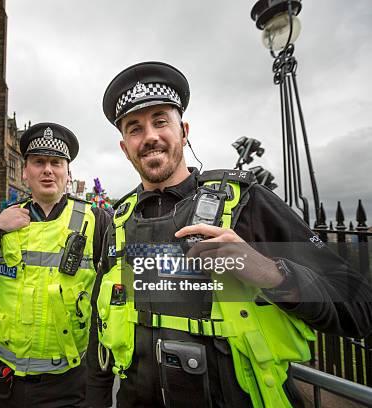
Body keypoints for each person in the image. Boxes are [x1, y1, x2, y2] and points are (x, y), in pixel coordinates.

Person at [86, 61, 372, 408]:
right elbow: (98, 336)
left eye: (161, 121)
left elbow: (358, 305)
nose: (149, 136)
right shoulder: (119, 221)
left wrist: (270, 273)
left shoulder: (246, 203)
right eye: (134, 128)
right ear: (124, 146)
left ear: (184, 131)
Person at [0, 122, 111, 407]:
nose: (48, 170)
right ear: (26, 171)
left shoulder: (96, 220)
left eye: (56, 163)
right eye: (39, 162)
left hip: (66, 381)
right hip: (3, 379)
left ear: (67, 173)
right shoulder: (6, 219)